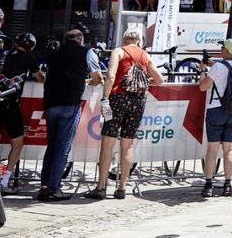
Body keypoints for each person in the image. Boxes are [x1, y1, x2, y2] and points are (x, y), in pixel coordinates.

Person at [87, 27, 163, 200]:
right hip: (138, 101)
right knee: (127, 145)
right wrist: (144, 80)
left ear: (124, 40)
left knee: (107, 143)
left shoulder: (119, 51)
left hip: (117, 99)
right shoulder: (145, 55)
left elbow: (111, 77)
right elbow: (159, 79)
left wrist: (105, 98)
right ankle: (121, 188)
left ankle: (101, 187)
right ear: (139, 41)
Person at [35, 26, 100, 202]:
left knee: (52, 146)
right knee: (63, 147)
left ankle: (44, 186)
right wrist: (84, 80)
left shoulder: (54, 54)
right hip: (70, 103)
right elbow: (97, 79)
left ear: (65, 40)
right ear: (80, 40)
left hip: (50, 103)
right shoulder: (86, 52)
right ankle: (53, 189)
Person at [197, 38, 232, 198]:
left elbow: (202, 86)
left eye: (223, 48)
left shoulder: (218, 67)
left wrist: (203, 70)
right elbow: (226, 67)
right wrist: (212, 63)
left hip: (216, 109)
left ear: (226, 51)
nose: (221, 50)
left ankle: (208, 185)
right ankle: (227, 184)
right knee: (229, 149)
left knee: (212, 149)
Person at [0, 33, 39, 190]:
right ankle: (4, 180)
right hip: (11, 103)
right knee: (17, 144)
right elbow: (39, 78)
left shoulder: (4, 54)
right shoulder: (29, 57)